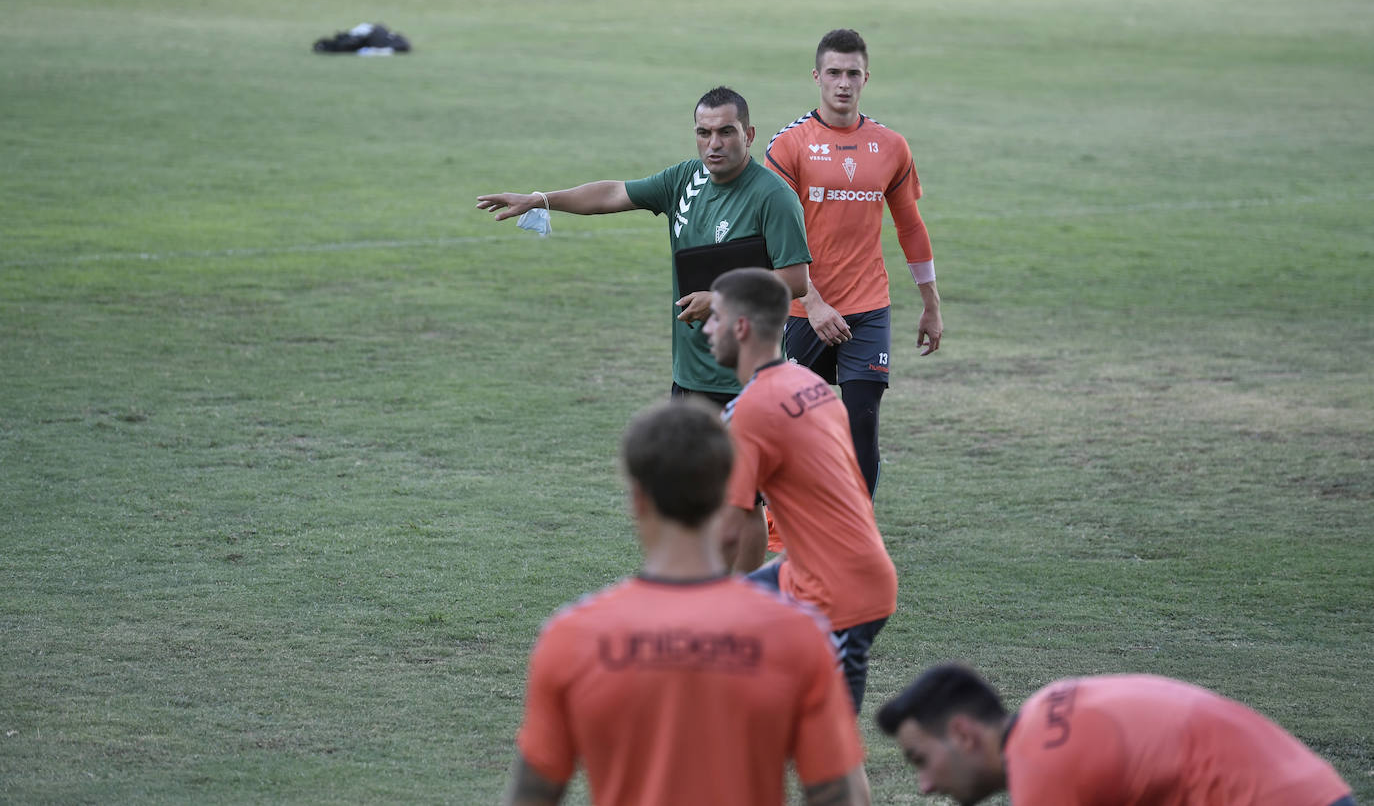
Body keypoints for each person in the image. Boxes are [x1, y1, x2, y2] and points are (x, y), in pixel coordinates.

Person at [503, 400, 870, 806]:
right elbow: (839, 796)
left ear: (638, 499)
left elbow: (531, 796)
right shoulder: (797, 636)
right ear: (725, 496)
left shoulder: (571, 637)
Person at [477, 86, 810, 408]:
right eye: (703, 133)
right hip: (688, 377)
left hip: (746, 382)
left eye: (726, 132)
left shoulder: (774, 197)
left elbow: (795, 280)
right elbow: (613, 194)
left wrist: (722, 300)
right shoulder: (686, 179)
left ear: (749, 135)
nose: (714, 144)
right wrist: (541, 200)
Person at [705, 267, 898, 714]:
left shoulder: (748, 412)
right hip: (820, 570)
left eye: (715, 317)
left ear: (741, 327)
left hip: (842, 595)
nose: (707, 328)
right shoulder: (811, 387)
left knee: (831, 764)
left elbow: (728, 532)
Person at [765, 28, 942, 499]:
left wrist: (931, 304)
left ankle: (854, 544)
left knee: (863, 423)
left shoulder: (891, 147)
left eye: (853, 74)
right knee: (802, 428)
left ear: (867, 78)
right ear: (817, 77)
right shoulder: (789, 147)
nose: (843, 83)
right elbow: (772, 240)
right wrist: (815, 304)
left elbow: (911, 229)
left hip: (868, 308)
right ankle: (792, 532)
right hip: (806, 311)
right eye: (834, 73)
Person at [875, 662, 1357, 806]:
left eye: (921, 760)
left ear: (962, 734)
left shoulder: (1043, 767)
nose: (926, 786)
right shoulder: (1051, 703)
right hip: (1313, 788)